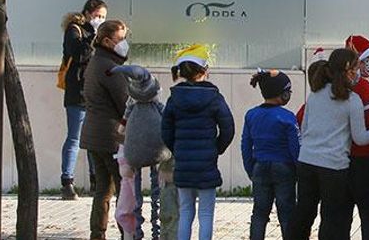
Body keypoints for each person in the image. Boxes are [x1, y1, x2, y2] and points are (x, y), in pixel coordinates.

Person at [292, 48, 369, 240]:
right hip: (333, 166)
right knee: (332, 218)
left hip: (307, 161)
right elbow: (360, 138)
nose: (357, 71)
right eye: (355, 67)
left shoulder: (315, 95)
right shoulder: (352, 100)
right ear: (347, 70)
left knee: (303, 213)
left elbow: (305, 126)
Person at [161, 44, 235, 240]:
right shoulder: (214, 97)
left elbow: (166, 130)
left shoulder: (174, 98)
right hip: (206, 163)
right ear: (205, 70)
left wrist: (177, 149)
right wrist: (216, 148)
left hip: (183, 162)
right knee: (206, 213)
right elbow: (228, 128)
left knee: (185, 211)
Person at [82, 19, 130, 240]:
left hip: (93, 135)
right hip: (110, 136)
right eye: (121, 39)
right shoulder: (110, 67)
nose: (124, 43)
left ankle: (97, 233)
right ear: (108, 41)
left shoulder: (96, 61)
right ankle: (127, 233)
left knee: (103, 188)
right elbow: (124, 101)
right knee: (123, 189)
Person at [111, 64, 170, 240]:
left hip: (135, 150)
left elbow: (124, 120)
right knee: (156, 192)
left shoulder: (132, 105)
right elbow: (166, 116)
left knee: (136, 193)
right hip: (157, 149)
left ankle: (137, 232)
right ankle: (155, 231)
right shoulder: (157, 105)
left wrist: (120, 131)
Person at [243, 69, 299, 240]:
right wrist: (299, 170)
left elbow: (245, 144)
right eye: (287, 91)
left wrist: (250, 169)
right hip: (284, 169)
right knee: (287, 213)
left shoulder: (251, 115)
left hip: (259, 167)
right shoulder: (288, 117)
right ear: (280, 93)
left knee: (259, 213)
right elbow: (295, 148)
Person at [59, 0, 106, 199]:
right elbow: (79, 54)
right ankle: (67, 182)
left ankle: (96, 182)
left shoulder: (99, 34)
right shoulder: (75, 30)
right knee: (75, 137)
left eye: (103, 17)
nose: (100, 20)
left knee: (94, 139)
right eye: (97, 16)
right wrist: (93, 35)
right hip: (77, 92)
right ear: (87, 13)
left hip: (95, 93)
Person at [347, 35, 369, 240]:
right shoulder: (362, 87)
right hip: (362, 157)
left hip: (340, 160)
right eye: (366, 60)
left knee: (341, 215)